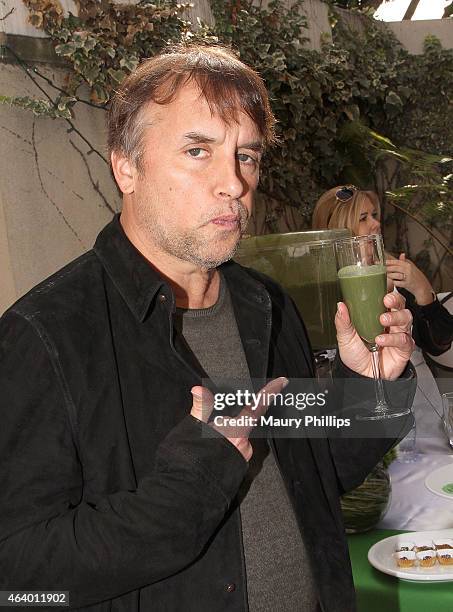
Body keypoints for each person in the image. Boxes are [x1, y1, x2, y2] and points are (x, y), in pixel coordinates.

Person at [0, 46, 415, 612]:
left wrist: (370, 387)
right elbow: (19, 579)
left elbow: (316, 479)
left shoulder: (264, 304)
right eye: (199, 151)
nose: (234, 184)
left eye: (246, 156)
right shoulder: (45, 335)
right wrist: (195, 478)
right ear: (126, 165)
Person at [312, 185, 453, 356]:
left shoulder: (398, 272)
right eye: (363, 218)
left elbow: (440, 344)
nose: (376, 224)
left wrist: (422, 289)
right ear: (337, 229)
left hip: (412, 379)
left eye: (374, 215)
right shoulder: (321, 289)